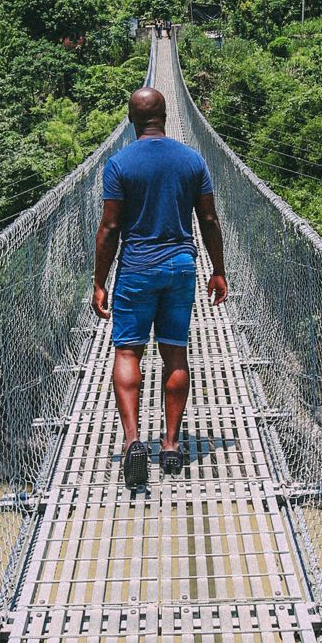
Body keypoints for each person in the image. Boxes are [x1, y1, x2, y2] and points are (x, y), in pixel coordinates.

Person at [93, 86, 228, 488]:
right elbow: (209, 220)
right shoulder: (192, 161)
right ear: (165, 115)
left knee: (128, 350)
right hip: (181, 268)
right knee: (175, 353)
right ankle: (170, 446)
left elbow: (110, 227)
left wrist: (99, 281)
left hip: (135, 270)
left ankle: (134, 441)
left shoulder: (118, 164)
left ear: (131, 119)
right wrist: (218, 270)